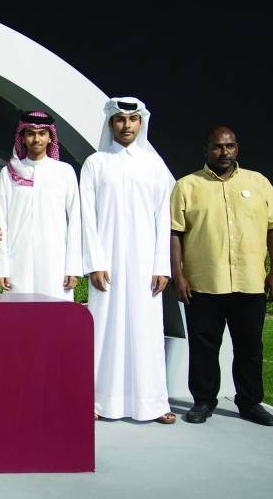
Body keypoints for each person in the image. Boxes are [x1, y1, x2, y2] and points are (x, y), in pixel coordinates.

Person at [170, 126, 273, 426]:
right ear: (206, 149)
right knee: (203, 348)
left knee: (250, 348)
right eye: (217, 147)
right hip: (203, 284)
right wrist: (178, 276)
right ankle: (203, 401)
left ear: (237, 148)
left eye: (230, 146)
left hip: (249, 283)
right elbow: (174, 234)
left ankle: (250, 403)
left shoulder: (257, 182)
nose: (224, 153)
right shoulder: (187, 186)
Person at [81, 97, 175, 424]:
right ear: (110, 124)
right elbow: (86, 218)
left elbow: (164, 218)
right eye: (120, 119)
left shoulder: (155, 165)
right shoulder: (95, 163)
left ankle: (153, 403)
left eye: (133, 119)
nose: (126, 126)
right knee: (103, 330)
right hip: (105, 265)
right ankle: (97, 402)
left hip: (145, 264)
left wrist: (161, 265)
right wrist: (94, 261)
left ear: (141, 123)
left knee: (147, 330)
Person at [0, 111, 81, 300]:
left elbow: (75, 221)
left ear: (50, 138)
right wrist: (2, 267)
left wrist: (73, 267)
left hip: (55, 261)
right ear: (23, 138)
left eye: (42, 133)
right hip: (18, 262)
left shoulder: (64, 172)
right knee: (20, 321)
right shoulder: (8, 173)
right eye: (31, 133)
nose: (36, 139)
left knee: (56, 320)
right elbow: (0, 221)